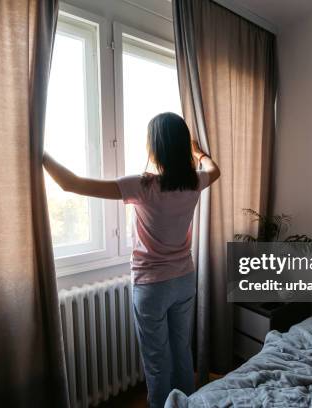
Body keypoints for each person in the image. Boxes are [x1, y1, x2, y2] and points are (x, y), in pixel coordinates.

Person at [43, 112, 220, 408]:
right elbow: (214, 169)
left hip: (152, 286)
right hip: (184, 279)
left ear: (155, 148)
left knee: (157, 360)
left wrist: (40, 151)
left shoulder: (143, 185)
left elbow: (70, 183)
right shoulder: (194, 182)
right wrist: (198, 152)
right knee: (181, 351)